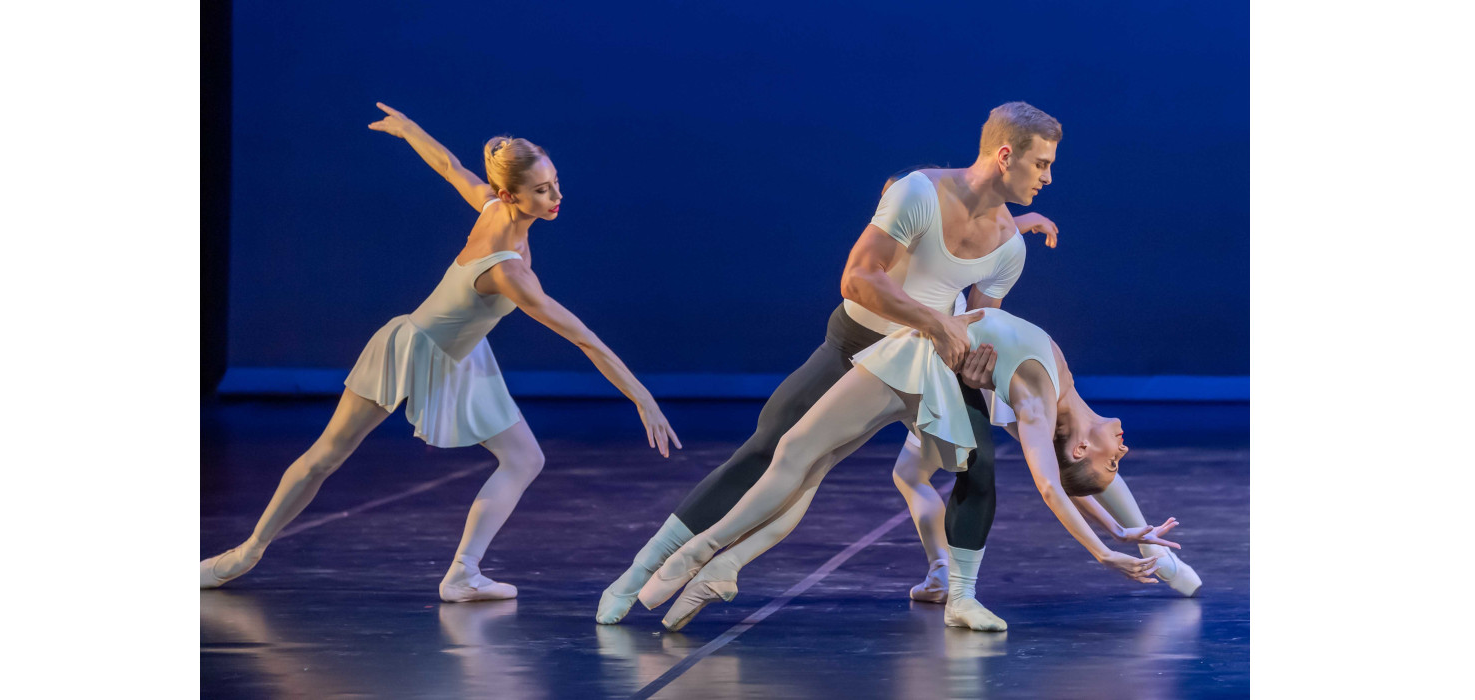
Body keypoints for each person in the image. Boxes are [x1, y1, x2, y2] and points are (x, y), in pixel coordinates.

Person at [599, 102, 1066, 627]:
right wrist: (934, 321)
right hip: (856, 347)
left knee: (978, 464)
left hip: (925, 366)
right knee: (769, 454)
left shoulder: (1010, 247)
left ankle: (962, 597)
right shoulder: (918, 192)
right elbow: (857, 279)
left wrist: (978, 370)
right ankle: (642, 572)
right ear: (1006, 155)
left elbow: (982, 324)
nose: (1049, 177)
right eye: (1042, 164)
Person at [200, 104, 681, 603]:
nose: (557, 195)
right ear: (508, 195)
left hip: (461, 355)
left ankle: (462, 574)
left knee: (523, 459)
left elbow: (450, 165)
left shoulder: (495, 208)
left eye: (555, 181)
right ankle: (247, 552)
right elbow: (584, 338)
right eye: (542, 190)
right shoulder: (508, 271)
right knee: (327, 455)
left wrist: (410, 130)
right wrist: (641, 396)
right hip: (410, 349)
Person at [640, 307, 1185, 632]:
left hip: (918, 372)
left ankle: (700, 557)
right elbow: (1061, 480)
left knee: (798, 459)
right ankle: (717, 568)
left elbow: (1049, 485)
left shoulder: (1040, 405)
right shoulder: (1055, 394)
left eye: (1114, 461)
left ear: (1079, 451)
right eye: (1119, 462)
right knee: (807, 463)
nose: (1124, 450)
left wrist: (1105, 551)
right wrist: (1115, 528)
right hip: (931, 376)